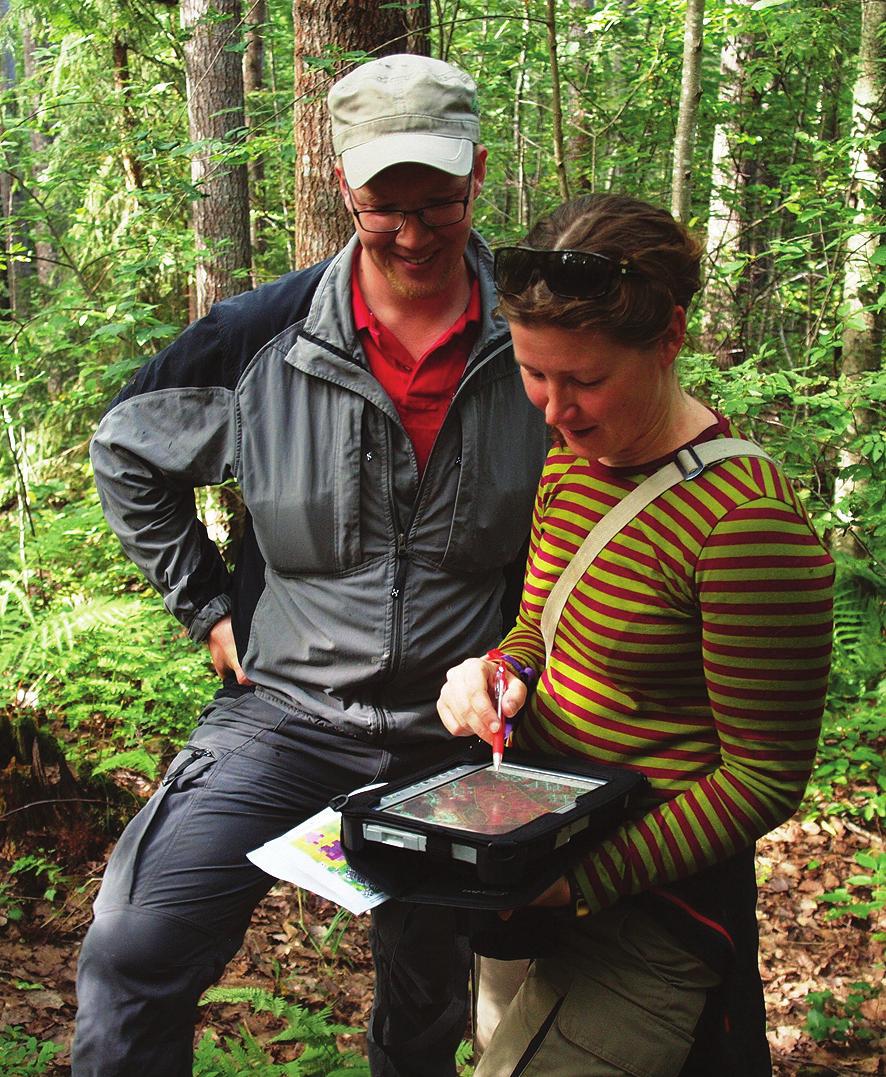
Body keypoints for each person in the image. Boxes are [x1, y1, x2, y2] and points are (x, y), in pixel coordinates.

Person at [72, 53, 547, 1077]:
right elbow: (124, 450)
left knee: (429, 997)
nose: (413, 234)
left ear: (476, 177)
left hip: (458, 734)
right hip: (282, 713)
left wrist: (532, 660)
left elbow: (601, 500)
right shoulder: (258, 340)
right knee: (133, 950)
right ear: (343, 186)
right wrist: (203, 604)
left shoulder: (539, 337)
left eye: (438, 203)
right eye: (385, 208)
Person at [437, 193, 835, 1076]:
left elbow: (763, 778)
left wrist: (582, 881)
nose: (553, 408)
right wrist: (497, 673)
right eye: (534, 374)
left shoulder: (744, 525)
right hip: (534, 869)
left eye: (583, 380)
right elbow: (539, 625)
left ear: (669, 339)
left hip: (648, 913)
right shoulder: (572, 466)